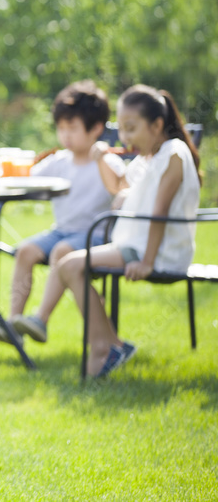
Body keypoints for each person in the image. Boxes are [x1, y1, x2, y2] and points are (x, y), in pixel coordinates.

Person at [32, 84, 201, 378]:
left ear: (157, 124)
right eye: (121, 129)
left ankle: (106, 347)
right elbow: (118, 187)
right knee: (68, 265)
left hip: (158, 251)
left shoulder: (173, 154)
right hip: (132, 244)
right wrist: (100, 160)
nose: (124, 137)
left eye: (131, 128)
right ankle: (110, 345)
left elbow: (158, 213)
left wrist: (147, 261)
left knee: (70, 264)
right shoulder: (148, 156)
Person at [0, 80, 126, 345]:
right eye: (61, 128)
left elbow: (122, 191)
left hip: (95, 237)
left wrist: (104, 162)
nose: (65, 135)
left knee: (61, 250)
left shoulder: (108, 162)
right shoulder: (59, 161)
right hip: (62, 231)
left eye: (72, 128)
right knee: (25, 250)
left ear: (95, 128)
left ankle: (41, 320)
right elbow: (25, 179)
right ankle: (13, 323)